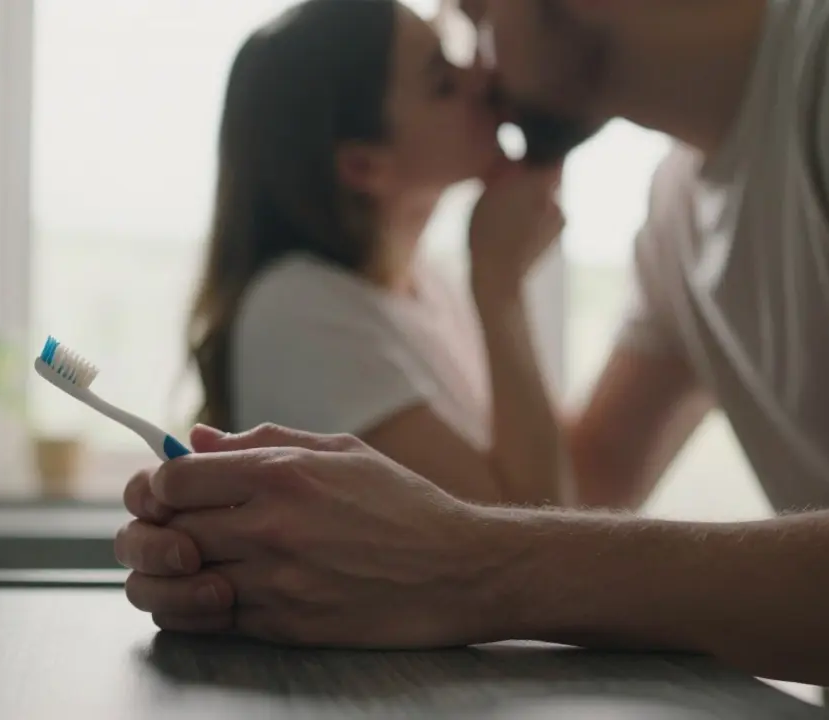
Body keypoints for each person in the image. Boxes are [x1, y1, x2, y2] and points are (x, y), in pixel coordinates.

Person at [115, 0, 829, 695]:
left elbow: (530, 525)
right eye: (446, 69)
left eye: (477, 15)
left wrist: (466, 564)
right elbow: (572, 500)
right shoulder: (676, 220)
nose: (481, 70)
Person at [185, 0, 570, 504]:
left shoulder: (429, 290)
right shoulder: (299, 310)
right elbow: (529, 546)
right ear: (364, 165)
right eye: (443, 83)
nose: (484, 78)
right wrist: (500, 287)